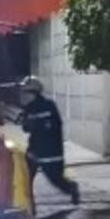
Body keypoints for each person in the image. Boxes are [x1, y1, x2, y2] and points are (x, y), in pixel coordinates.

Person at [17, 77, 80, 205]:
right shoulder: (30, 108)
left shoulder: (47, 106)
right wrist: (25, 120)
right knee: (25, 180)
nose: (23, 95)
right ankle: (29, 205)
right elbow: (26, 128)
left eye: (26, 92)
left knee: (56, 180)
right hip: (34, 152)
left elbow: (45, 128)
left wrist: (29, 121)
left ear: (34, 93)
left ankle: (72, 188)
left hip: (50, 154)